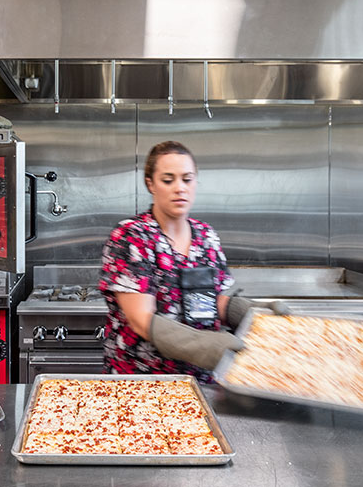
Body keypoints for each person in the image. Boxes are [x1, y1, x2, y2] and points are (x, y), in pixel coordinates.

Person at [98, 141, 288, 382]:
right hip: (142, 382)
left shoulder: (205, 236)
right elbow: (141, 320)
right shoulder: (133, 236)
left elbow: (209, 301)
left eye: (187, 179)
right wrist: (204, 344)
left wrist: (252, 313)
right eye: (168, 180)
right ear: (151, 184)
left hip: (200, 381)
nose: (180, 188)